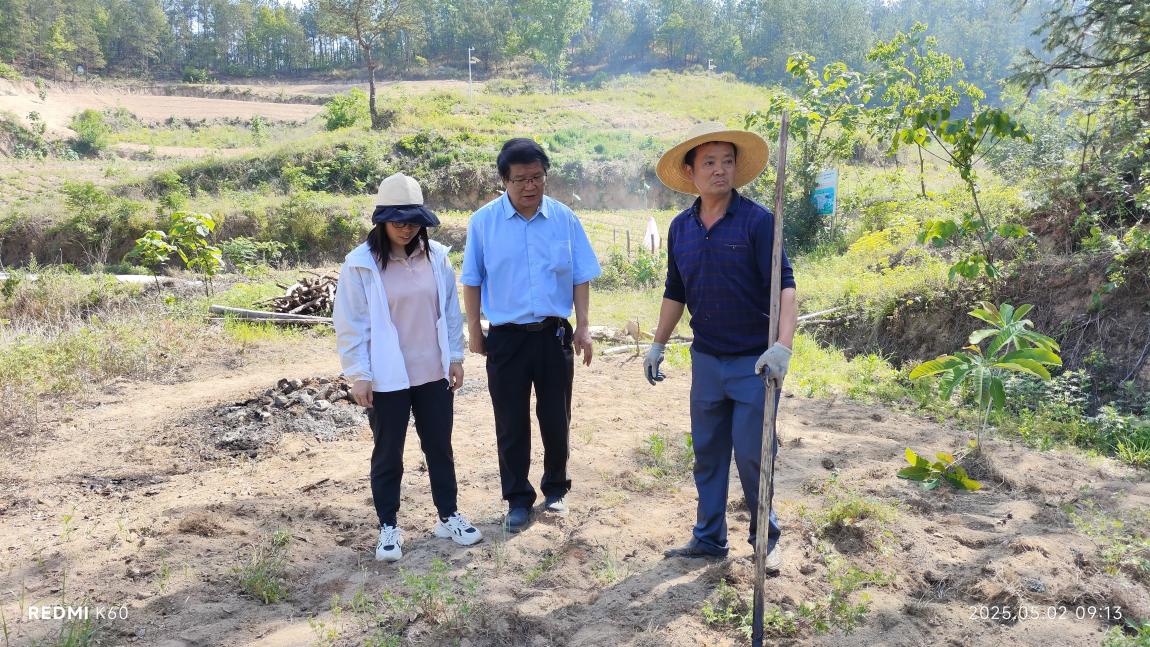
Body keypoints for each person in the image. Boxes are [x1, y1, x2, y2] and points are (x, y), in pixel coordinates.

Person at [644, 123, 797, 570]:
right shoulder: (681, 228)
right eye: (709, 163)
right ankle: (709, 537)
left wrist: (783, 346)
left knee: (753, 454)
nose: (719, 170)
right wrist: (657, 344)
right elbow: (675, 291)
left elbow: (785, 286)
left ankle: (765, 538)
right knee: (708, 454)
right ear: (690, 172)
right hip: (707, 360)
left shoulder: (758, 222)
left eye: (727, 162)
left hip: (754, 362)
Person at [333, 172, 483, 562]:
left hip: (432, 372)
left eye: (413, 221)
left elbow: (449, 311)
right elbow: (351, 324)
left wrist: (455, 357)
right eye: (398, 221)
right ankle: (388, 526)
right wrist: (359, 374)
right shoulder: (360, 265)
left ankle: (448, 515)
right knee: (388, 453)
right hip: (387, 377)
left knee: (439, 448)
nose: (406, 228)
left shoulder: (437, 258)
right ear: (382, 221)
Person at [461, 138, 602, 533]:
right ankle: (518, 499)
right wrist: (475, 330)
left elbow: (580, 276)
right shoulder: (484, 222)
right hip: (506, 338)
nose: (530, 186)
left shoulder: (564, 218)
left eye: (537, 177)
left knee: (556, 416)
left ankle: (556, 488)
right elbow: (472, 280)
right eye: (520, 179)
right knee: (510, 421)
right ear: (504, 180)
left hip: (553, 335)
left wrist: (584, 326)